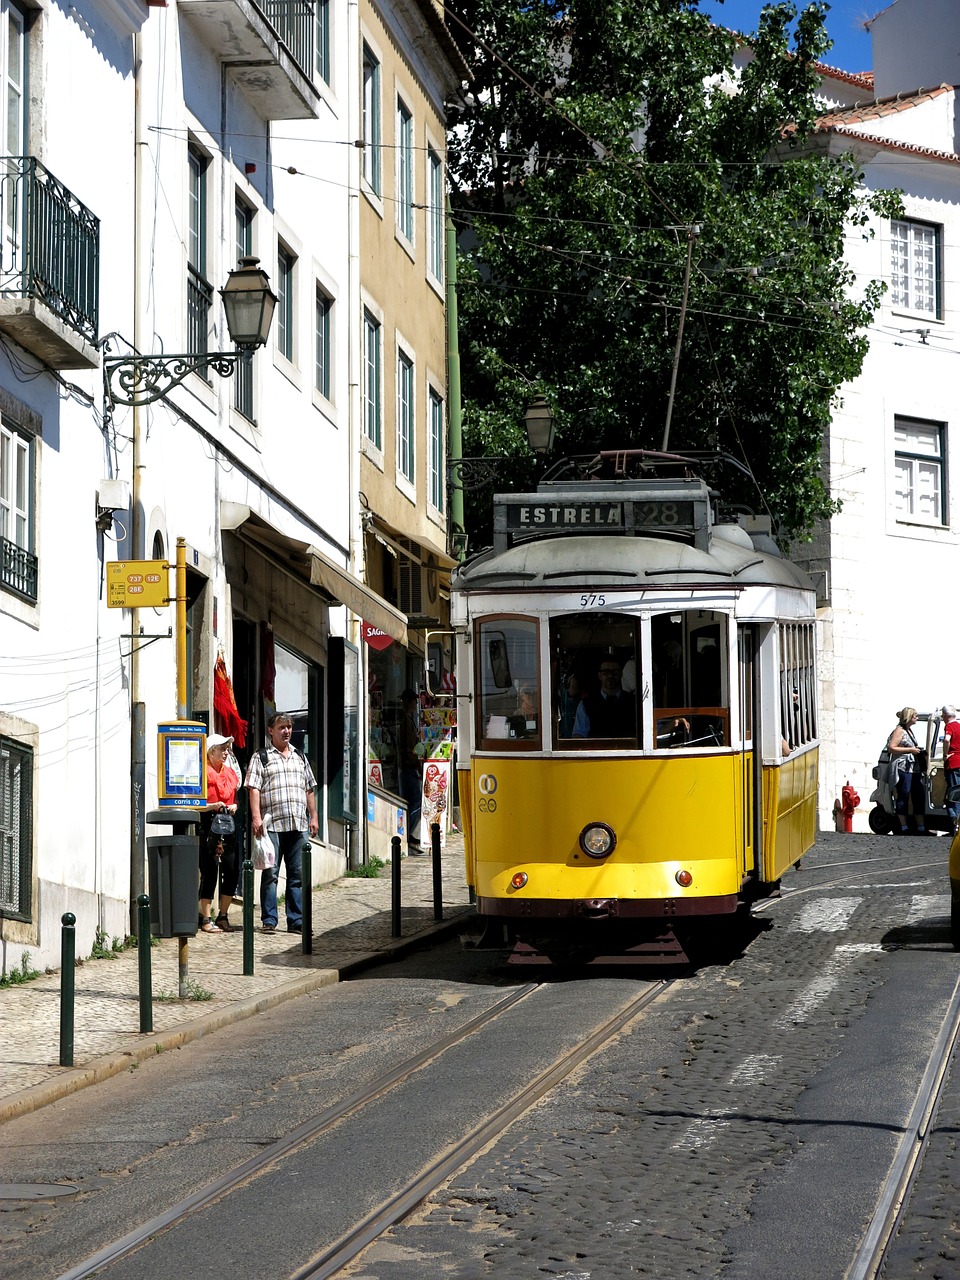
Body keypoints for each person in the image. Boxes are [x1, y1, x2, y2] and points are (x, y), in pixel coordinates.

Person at [245, 711, 319, 933]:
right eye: (281, 727)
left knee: (297, 876)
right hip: (273, 826)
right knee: (271, 874)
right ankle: (269, 920)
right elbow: (253, 789)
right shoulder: (261, 757)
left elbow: (309, 790)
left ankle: (296, 921)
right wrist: (256, 817)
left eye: (288, 727)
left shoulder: (300, 756)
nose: (287, 731)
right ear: (271, 731)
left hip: (298, 824)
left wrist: (313, 816)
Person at [199, 734, 240, 933]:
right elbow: (195, 804)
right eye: (222, 748)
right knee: (209, 870)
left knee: (232, 870)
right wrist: (212, 805)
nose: (226, 752)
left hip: (227, 822)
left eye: (227, 749)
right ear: (211, 750)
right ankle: (206, 918)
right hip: (208, 823)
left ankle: (223, 915)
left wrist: (234, 806)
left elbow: (235, 799)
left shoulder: (230, 774)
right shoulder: (202, 772)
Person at [887, 707, 927, 835]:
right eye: (914, 716)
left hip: (913, 768)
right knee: (903, 794)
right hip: (904, 767)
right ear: (909, 717)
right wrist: (910, 750)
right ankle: (903, 827)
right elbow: (892, 747)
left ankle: (920, 827)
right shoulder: (899, 731)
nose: (917, 718)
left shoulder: (909, 731)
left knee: (918, 795)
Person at [573, 659, 636, 738]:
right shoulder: (586, 705)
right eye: (606, 672)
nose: (610, 676)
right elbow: (579, 735)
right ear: (600, 675)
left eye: (615, 672)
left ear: (621, 674)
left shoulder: (634, 703)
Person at [398, 689, 423, 850]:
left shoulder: (408, 719)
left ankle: (409, 833)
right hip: (408, 767)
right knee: (416, 801)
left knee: (412, 800)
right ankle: (408, 833)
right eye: (414, 700)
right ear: (409, 702)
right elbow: (408, 748)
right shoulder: (405, 721)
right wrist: (416, 763)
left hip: (407, 766)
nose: (416, 703)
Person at [942, 705, 960, 837]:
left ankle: (955, 825)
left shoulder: (949, 726)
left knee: (953, 794)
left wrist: (945, 754)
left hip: (953, 762)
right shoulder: (959, 726)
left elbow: (947, 740)